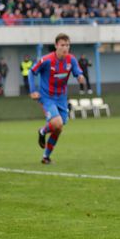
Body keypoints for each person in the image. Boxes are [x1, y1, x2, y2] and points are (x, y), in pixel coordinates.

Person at [28, 33, 85, 164]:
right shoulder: (47, 60)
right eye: (62, 45)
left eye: (67, 45)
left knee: (58, 128)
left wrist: (80, 77)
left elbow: (78, 71)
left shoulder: (71, 60)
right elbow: (32, 71)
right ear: (56, 46)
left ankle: (45, 155)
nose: (65, 48)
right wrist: (32, 91)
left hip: (61, 98)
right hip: (47, 97)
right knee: (57, 123)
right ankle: (43, 132)